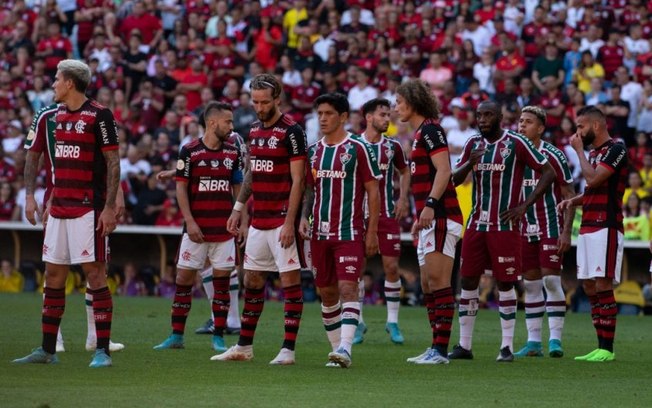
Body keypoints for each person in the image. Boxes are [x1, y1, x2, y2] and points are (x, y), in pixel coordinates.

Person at [13, 59, 121, 368]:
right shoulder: (48, 116)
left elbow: (113, 163)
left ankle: (102, 350)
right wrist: (31, 196)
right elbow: (32, 157)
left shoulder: (100, 116)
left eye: (57, 80)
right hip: (57, 208)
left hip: (88, 208)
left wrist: (109, 207)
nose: (53, 85)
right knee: (54, 275)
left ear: (70, 83)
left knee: (95, 274)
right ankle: (47, 350)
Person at [450, 100, 556, 362]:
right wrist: (468, 165)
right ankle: (464, 345)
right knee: (468, 281)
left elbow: (548, 172)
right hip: (475, 224)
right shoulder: (472, 144)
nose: (483, 119)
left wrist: (524, 205)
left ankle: (506, 347)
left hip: (505, 226)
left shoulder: (516, 143)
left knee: (505, 282)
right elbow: (454, 179)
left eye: (488, 115)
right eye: (479, 115)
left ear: (499, 117)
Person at [214, 73, 307, 365]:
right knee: (252, 280)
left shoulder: (293, 131)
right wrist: (239, 206)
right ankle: (244, 346)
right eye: (254, 101)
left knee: (290, 282)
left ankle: (288, 350)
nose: (259, 107)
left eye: (264, 101)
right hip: (259, 219)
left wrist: (290, 222)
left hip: (281, 219)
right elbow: (253, 171)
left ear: (277, 99)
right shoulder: (254, 129)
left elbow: (299, 181)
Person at [153, 101, 243, 354]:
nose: (231, 126)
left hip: (224, 229)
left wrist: (241, 219)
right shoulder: (190, 151)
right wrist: (189, 221)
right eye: (228, 121)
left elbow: (238, 189)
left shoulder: (232, 152)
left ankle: (219, 336)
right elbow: (181, 187)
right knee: (183, 278)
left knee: (222, 282)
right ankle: (176, 335)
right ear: (212, 122)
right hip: (196, 229)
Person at [299, 92, 381, 368]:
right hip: (319, 235)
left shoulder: (358, 148)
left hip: (349, 233)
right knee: (327, 293)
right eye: (319, 113)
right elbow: (309, 191)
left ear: (343, 117)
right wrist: (303, 217)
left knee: (348, 288)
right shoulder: (313, 151)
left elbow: (373, 191)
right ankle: (336, 352)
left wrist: (371, 232)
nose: (322, 118)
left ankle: (346, 348)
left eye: (328, 113)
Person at [394, 79, 463, 365]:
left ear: (412, 102)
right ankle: (435, 345)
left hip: (444, 215)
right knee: (426, 283)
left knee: (438, 281)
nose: (396, 107)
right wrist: (421, 216)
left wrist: (431, 206)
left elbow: (445, 170)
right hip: (430, 218)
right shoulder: (421, 133)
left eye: (399, 102)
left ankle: (441, 350)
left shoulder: (432, 131)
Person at [557, 106, 628, 362]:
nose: (578, 132)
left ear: (596, 126)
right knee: (588, 285)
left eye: (581, 126)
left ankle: (607, 348)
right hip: (587, 225)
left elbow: (595, 180)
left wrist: (578, 152)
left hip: (606, 224)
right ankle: (599, 345)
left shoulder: (616, 149)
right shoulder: (596, 153)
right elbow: (591, 190)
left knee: (602, 282)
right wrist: (572, 202)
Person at [513, 106, 576, 358]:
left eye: (528, 122)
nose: (521, 126)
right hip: (523, 228)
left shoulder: (554, 155)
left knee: (551, 279)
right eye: (520, 121)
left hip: (551, 225)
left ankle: (556, 341)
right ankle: (534, 342)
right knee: (531, 285)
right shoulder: (514, 153)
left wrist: (567, 232)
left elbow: (569, 195)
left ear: (540, 128)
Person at [354, 98, 410, 345]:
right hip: (357, 215)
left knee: (391, 267)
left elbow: (405, 171)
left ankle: (392, 321)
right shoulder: (353, 145)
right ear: (368, 117)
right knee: (354, 270)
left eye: (389, 115)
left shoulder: (393, 147)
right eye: (383, 115)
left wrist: (403, 199)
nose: (388, 119)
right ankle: (358, 322)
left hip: (387, 214)